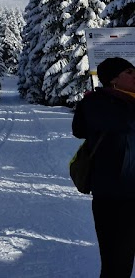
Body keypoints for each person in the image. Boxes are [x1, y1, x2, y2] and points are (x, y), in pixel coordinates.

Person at [73, 56, 135, 278]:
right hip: (114, 198)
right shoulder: (97, 103)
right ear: (113, 80)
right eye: (129, 72)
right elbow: (81, 128)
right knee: (117, 263)